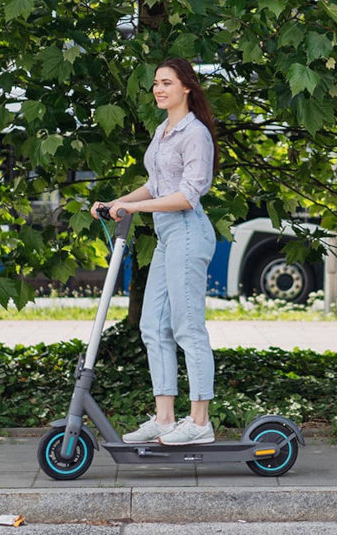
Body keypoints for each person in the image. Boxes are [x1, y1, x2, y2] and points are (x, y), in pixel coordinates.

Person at [91, 57, 219, 446]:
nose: (159, 89)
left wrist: (135, 209)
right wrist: (116, 201)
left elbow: (185, 196)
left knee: (187, 327)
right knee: (152, 327)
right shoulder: (164, 130)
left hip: (188, 233)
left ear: (187, 88)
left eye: (166, 83)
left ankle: (199, 422)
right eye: (156, 84)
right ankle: (165, 419)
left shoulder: (195, 134)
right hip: (166, 237)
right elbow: (155, 184)